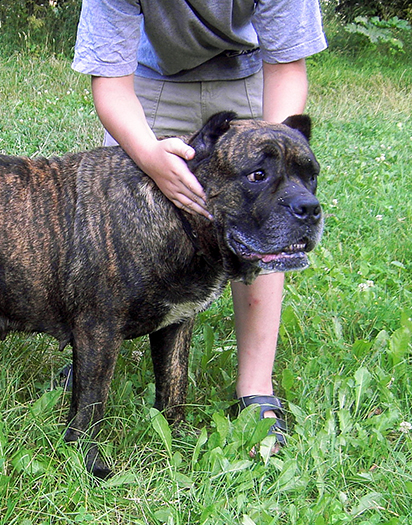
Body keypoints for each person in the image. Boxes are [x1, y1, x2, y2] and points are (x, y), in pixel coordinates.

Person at [72, 0, 327, 446]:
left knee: (262, 224)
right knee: (123, 225)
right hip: (150, 78)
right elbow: (111, 82)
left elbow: (287, 65)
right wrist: (150, 157)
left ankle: (255, 388)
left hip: (246, 71)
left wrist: (269, 163)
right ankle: (92, 343)